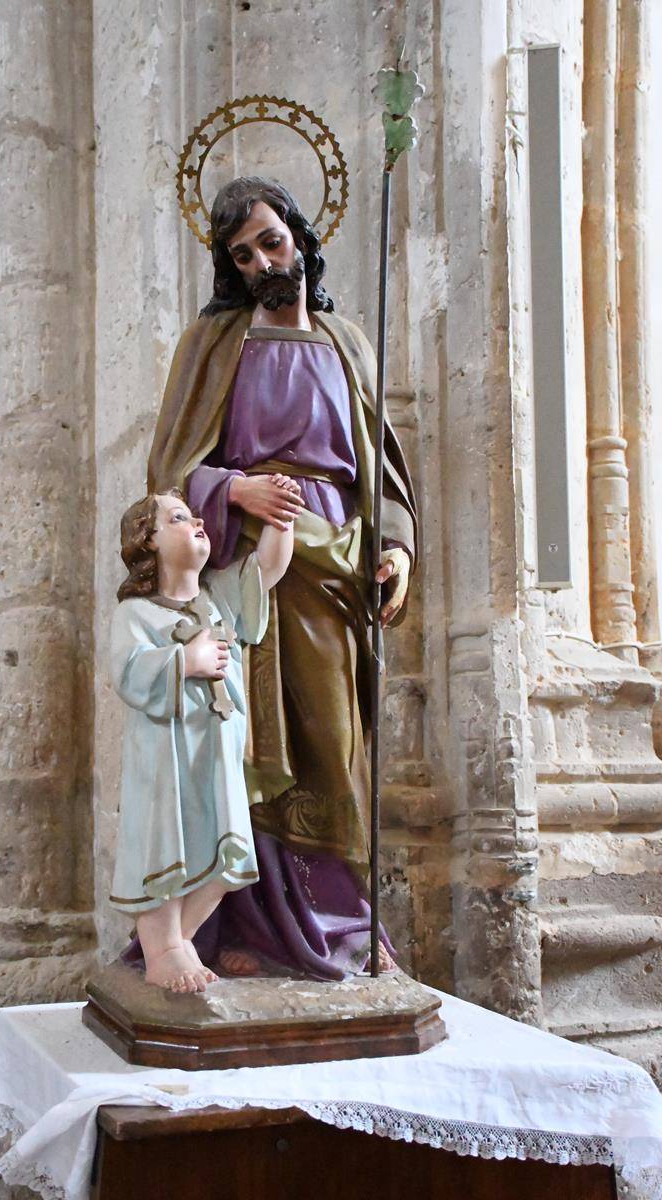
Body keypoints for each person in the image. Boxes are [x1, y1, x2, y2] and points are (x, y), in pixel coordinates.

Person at [147, 177, 419, 981]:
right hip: (252, 570)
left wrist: (396, 549)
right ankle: (251, 932)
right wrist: (234, 490)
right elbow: (168, 472)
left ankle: (341, 926)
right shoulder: (212, 345)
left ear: (299, 236)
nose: (263, 262)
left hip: (336, 572)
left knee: (335, 747)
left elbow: (382, 469)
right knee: (248, 750)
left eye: (271, 241)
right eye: (243, 255)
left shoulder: (347, 341)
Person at [109, 486, 295, 992]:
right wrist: (184, 661)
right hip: (165, 757)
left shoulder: (218, 599)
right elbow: (126, 672)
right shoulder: (136, 613)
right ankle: (163, 950)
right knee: (164, 845)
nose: (197, 523)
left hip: (218, 754)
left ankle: (179, 939)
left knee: (226, 851)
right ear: (148, 541)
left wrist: (282, 518)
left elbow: (267, 569)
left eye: (195, 517)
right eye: (177, 518)